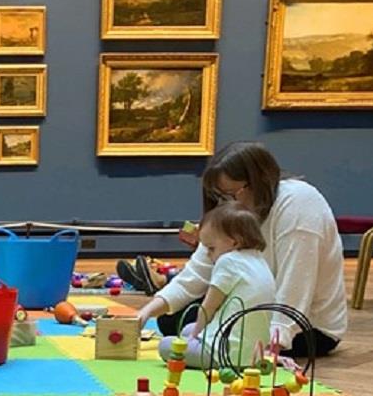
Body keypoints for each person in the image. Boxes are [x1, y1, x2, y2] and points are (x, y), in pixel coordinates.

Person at [137, 141, 348, 357]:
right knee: (171, 317)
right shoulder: (235, 214)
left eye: (231, 194)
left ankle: (222, 341)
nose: (225, 203)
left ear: (257, 181)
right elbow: (195, 274)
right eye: (220, 196)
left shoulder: (298, 204)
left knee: (194, 328)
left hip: (308, 328)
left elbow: (295, 287)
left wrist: (274, 345)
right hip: (252, 307)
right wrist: (144, 314)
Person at [156, 201, 275, 369]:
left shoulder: (228, 261)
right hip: (254, 353)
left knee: (167, 345)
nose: (210, 255)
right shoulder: (259, 260)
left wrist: (194, 338)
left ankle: (202, 346)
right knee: (187, 329)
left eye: (211, 248)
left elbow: (208, 307)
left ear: (234, 242)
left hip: (223, 353)